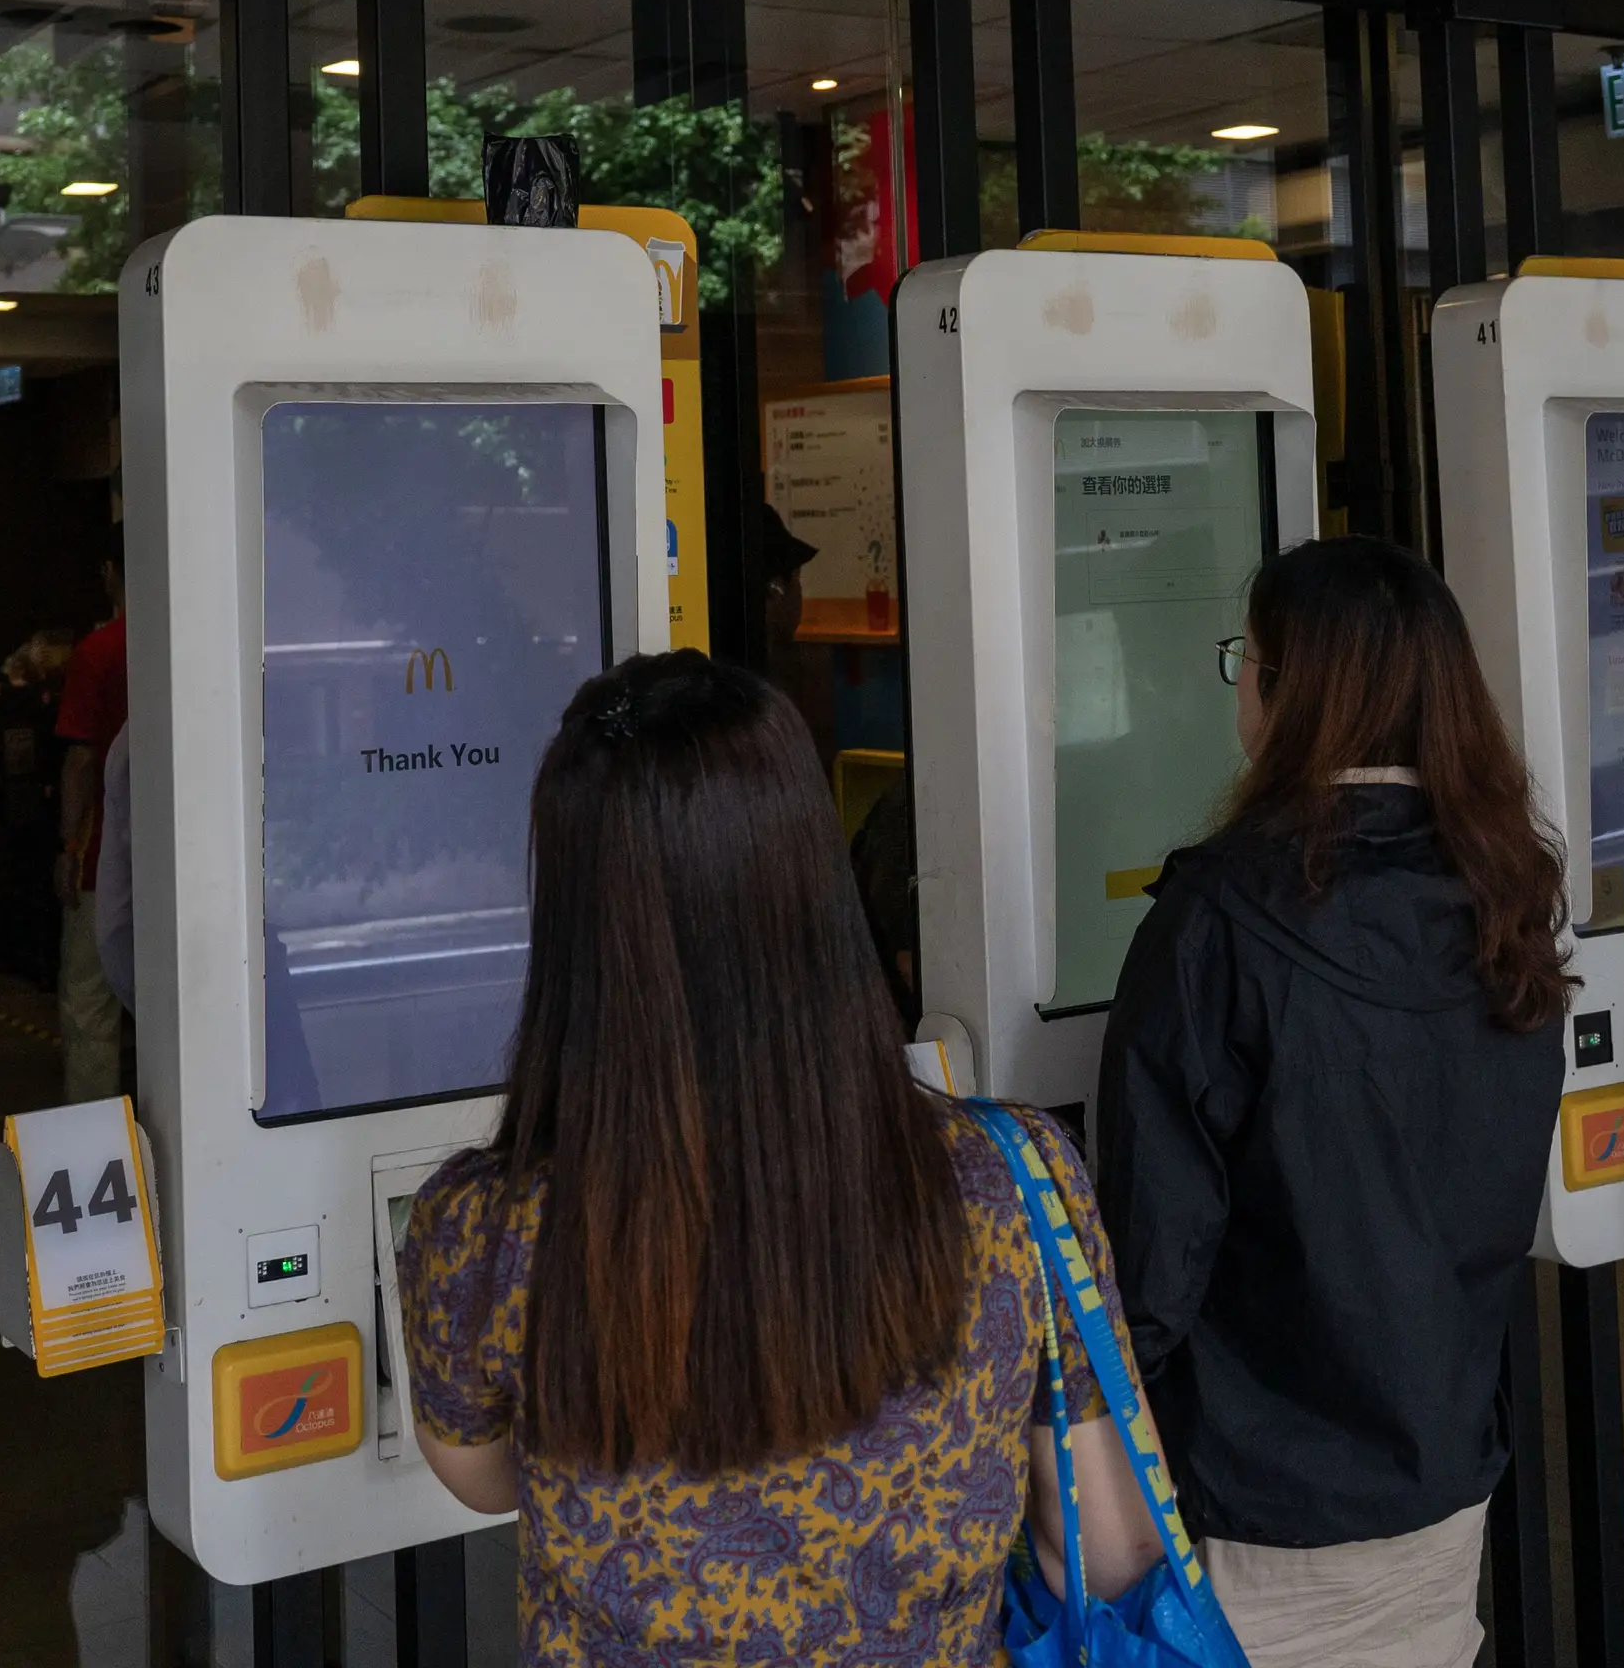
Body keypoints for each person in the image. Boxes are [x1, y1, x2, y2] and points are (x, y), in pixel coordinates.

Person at [397, 652, 1163, 1663]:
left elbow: (487, 1477)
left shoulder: (483, 1232)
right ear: (813, 875)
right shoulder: (1011, 1185)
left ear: (581, 922)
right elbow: (1110, 1551)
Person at [1096, 535, 1570, 1668]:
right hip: (1445, 1477)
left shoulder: (1213, 925)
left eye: (1246, 664)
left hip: (1256, 1508)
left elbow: (1148, 1278)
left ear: (1284, 690)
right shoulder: (1508, 896)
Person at [52, 538, 130, 1099]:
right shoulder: (195, 641)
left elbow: (80, 758)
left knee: (89, 1004)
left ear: (109, 571)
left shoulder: (100, 651)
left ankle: (97, 1143)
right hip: (188, 854)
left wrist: (67, 847)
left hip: (106, 855)